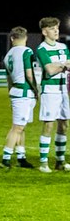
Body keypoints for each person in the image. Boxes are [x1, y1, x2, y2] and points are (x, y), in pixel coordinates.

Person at [1, 26, 39, 169]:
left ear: (12, 38)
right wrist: (36, 89)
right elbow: (29, 74)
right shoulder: (26, 51)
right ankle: (6, 158)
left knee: (21, 127)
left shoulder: (7, 55)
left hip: (15, 92)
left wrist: (10, 93)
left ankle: (21, 157)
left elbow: (9, 80)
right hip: (24, 93)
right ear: (26, 37)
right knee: (17, 128)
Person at [35, 17, 70, 173]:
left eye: (57, 28)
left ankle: (60, 161)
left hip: (63, 90)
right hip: (49, 91)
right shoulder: (42, 49)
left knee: (64, 124)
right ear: (44, 32)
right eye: (52, 28)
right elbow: (49, 70)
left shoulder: (63, 47)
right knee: (49, 125)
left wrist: (59, 66)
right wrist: (63, 65)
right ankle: (43, 163)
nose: (56, 31)